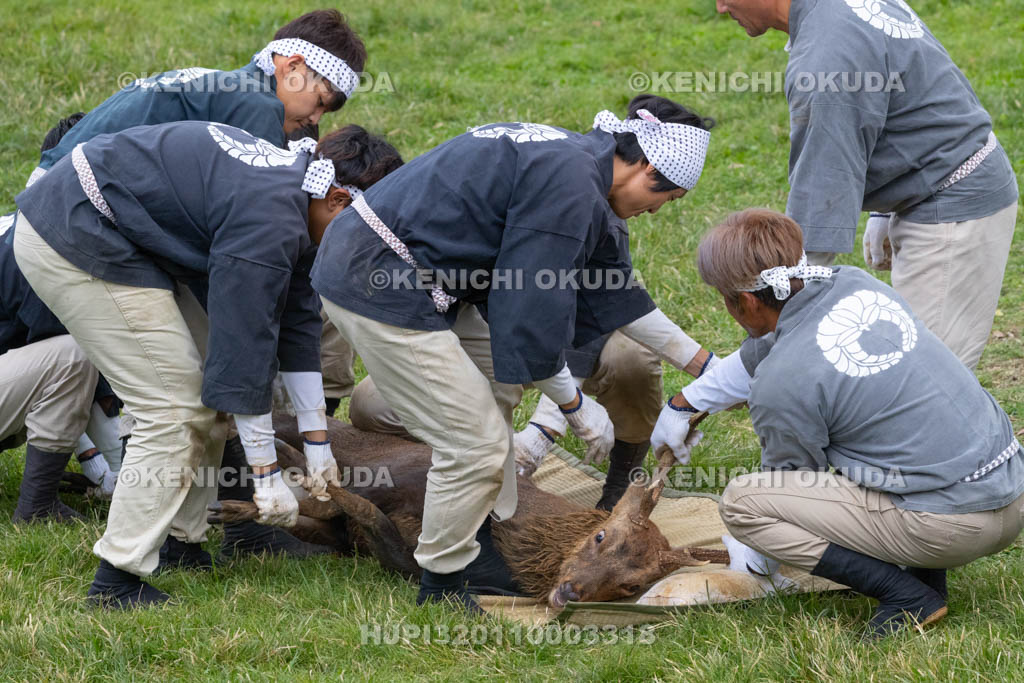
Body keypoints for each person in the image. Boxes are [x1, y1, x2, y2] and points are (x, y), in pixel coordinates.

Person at [312, 94, 716, 612]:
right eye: (668, 197)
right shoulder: (571, 185)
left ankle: (482, 531)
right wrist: (573, 407)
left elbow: (614, 294)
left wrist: (712, 371)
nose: (657, 210)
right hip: (377, 279)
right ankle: (443, 581)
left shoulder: (581, 169)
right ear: (648, 168)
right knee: (474, 443)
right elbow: (527, 308)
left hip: (416, 275)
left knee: (498, 381)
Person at [13, 120, 400, 608]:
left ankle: (181, 542)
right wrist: (265, 476)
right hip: (76, 228)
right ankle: (117, 579)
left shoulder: (299, 201)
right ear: (338, 201)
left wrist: (318, 442)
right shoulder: (270, 220)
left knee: (206, 403)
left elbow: (296, 324)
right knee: (174, 409)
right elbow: (242, 352)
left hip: (125, 232)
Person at [665, 208, 1024, 637]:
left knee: (744, 502)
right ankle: (926, 572)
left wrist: (756, 556)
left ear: (744, 301)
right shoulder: (854, 283)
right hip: (1011, 490)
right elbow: (778, 340)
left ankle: (908, 595)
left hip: (954, 527)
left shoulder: (781, 383)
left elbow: (791, 483)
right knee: (897, 439)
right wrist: (686, 402)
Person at [715, 0, 1018, 369]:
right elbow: (912, 85)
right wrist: (884, 209)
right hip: (940, 182)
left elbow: (818, 205)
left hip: (953, 202)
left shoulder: (826, 60)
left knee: (914, 380)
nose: (720, 7)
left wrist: (768, 326)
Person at [26, 9, 366, 188]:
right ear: (292, 66)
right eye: (320, 102)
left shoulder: (230, 86)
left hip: (50, 185)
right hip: (68, 205)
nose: (315, 119)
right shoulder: (258, 105)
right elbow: (259, 215)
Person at [1, 113, 122, 524]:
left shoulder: (28, 223)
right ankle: (36, 507)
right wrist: (111, 471)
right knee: (78, 355)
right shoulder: (49, 242)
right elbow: (74, 373)